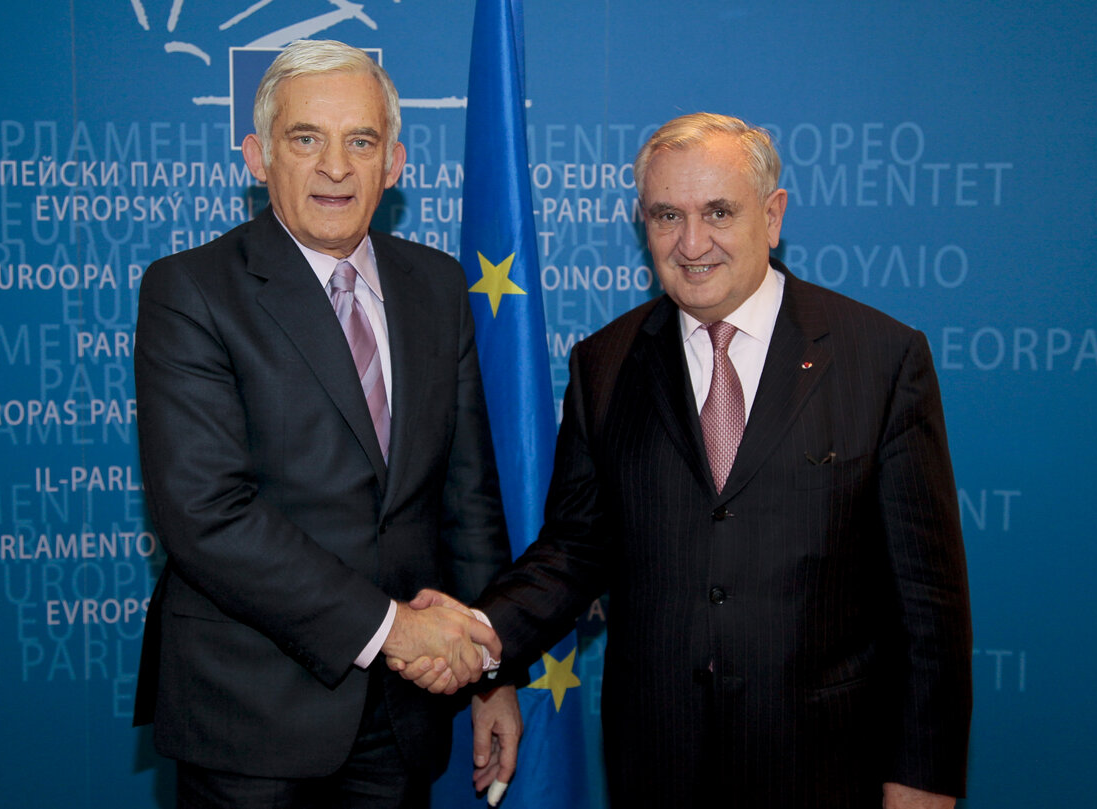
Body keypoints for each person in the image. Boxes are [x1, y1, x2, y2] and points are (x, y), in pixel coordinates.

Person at [397, 112, 972, 808]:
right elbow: (574, 552)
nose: (691, 242)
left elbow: (930, 605)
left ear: (772, 213)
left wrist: (923, 778)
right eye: (666, 215)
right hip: (660, 764)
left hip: (828, 767)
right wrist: (483, 635)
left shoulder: (880, 359)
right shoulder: (605, 364)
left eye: (718, 212)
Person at [132, 39, 521, 809]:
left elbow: (467, 496)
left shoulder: (436, 285)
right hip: (252, 718)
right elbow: (207, 515)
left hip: (404, 716)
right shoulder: (191, 290)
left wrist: (488, 673)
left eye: (361, 141)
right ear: (257, 155)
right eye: (306, 138)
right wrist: (394, 630)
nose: (336, 167)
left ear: (395, 163)